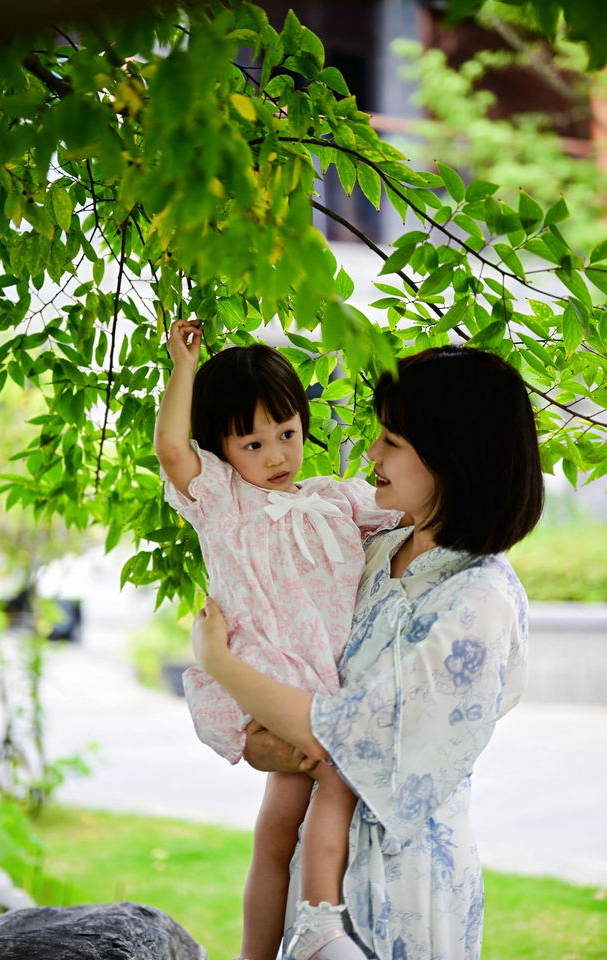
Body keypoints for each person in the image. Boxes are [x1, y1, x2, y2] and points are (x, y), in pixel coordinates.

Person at [190, 344, 545, 960]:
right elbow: (299, 656)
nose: (372, 454)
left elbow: (348, 732)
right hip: (319, 875)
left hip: (402, 890)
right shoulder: (378, 552)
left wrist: (218, 662)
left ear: (451, 458)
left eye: (392, 441)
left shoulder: (478, 602)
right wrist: (250, 734)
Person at [153, 319, 404, 960]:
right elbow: (172, 453)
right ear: (222, 450)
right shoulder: (223, 504)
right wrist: (183, 368)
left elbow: (412, 509)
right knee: (275, 837)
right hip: (273, 683)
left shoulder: (332, 500)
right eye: (253, 443)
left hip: (334, 689)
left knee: (311, 818)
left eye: (287, 434)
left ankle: (320, 926)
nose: (275, 456)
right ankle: (265, 951)